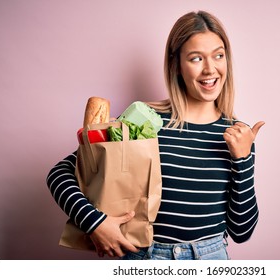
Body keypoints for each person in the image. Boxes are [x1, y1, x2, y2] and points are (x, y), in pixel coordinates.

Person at [46, 10, 264, 260]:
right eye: (196, 58)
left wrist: (243, 159)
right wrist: (94, 223)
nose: (210, 69)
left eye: (218, 55)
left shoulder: (238, 135)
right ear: (177, 66)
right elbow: (60, 173)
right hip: (145, 257)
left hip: (210, 258)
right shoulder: (146, 120)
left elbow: (242, 231)